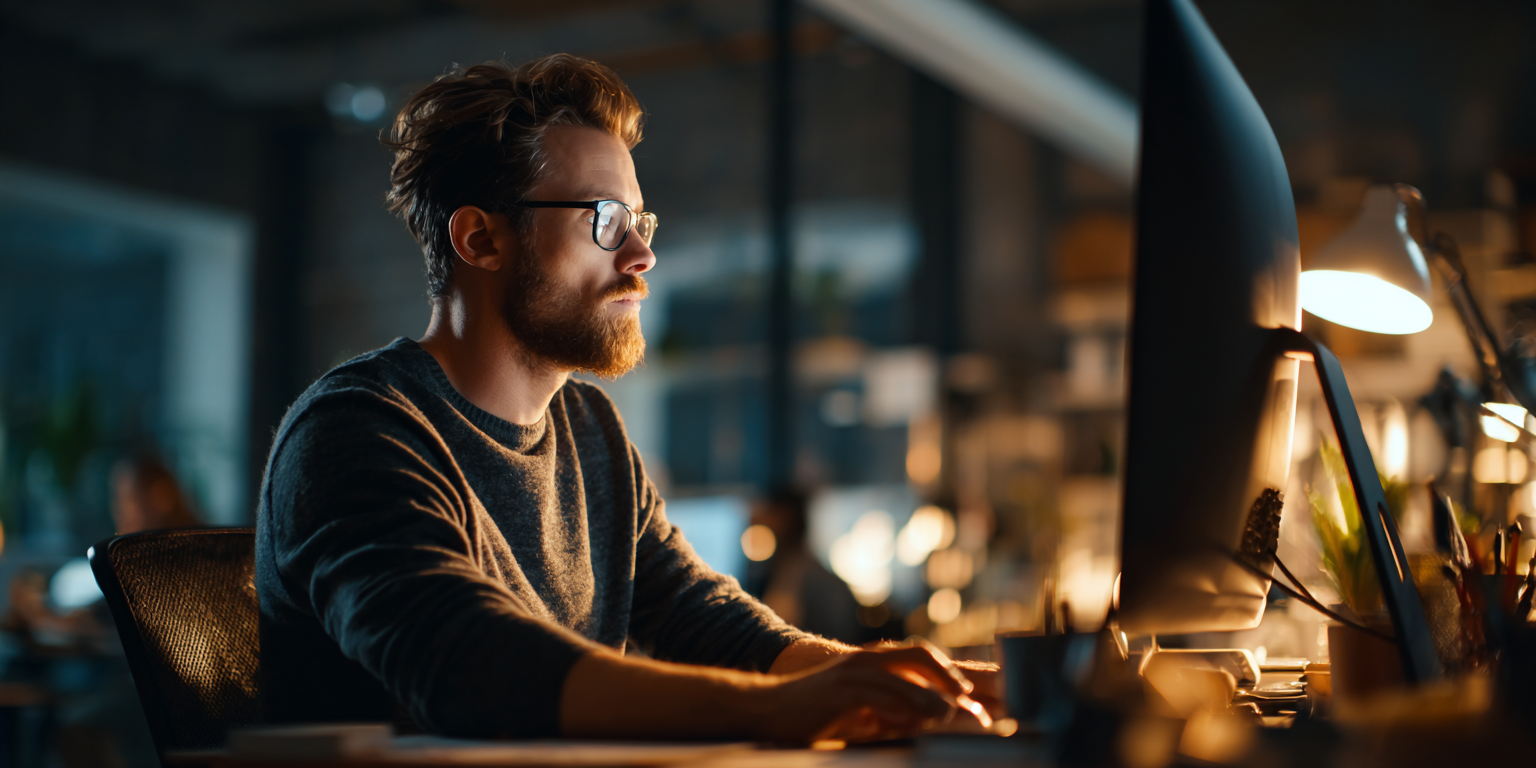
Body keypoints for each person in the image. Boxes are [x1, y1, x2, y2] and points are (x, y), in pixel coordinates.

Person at [256, 54, 997, 744]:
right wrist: (773, 709)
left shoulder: (589, 431)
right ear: (481, 239)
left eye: (638, 223)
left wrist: (871, 677)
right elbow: (467, 666)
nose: (642, 257)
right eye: (605, 222)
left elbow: (701, 617)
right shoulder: (357, 432)